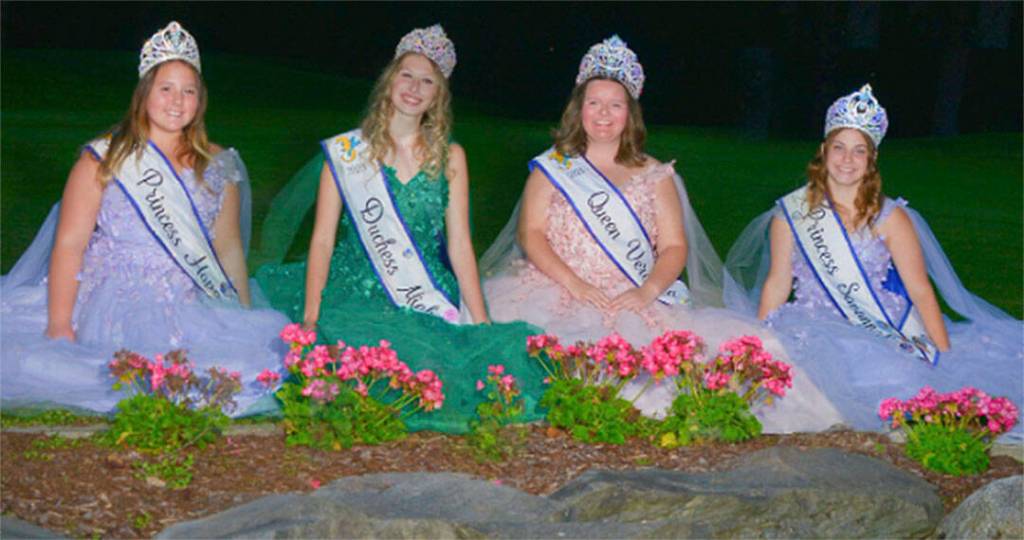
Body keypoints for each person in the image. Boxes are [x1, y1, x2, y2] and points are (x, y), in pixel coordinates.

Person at [481, 35, 841, 430]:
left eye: (615, 105)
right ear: (578, 109)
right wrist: (575, 285)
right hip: (557, 287)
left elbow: (673, 247)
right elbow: (531, 235)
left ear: (629, 114)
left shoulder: (655, 175)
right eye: (594, 103)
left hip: (634, 292)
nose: (604, 114)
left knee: (712, 362)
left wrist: (646, 291)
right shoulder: (553, 168)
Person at [255, 25, 546, 433]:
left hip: (423, 289)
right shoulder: (347, 154)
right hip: (354, 287)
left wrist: (481, 324)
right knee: (355, 363)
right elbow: (321, 241)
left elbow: (460, 243)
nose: (414, 87)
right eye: (407, 74)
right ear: (389, 80)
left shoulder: (451, 157)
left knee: (443, 366)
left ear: (438, 95)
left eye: (428, 81)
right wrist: (311, 314)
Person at [1, 21, 289, 414]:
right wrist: (60, 325)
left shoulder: (217, 164)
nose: (177, 101)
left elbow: (227, 248)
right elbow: (70, 244)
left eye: (188, 91)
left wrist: (239, 316)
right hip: (110, 296)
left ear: (200, 100)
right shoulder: (104, 158)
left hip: (188, 295)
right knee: (88, 369)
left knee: (235, 366)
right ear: (144, 95)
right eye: (165, 88)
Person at [724, 84, 1023, 440]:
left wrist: (946, 356)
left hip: (879, 328)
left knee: (890, 384)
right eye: (839, 148)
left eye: (858, 150)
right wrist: (759, 339)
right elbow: (777, 282)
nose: (847, 160)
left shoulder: (891, 217)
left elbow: (920, 289)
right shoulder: (791, 215)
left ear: (871, 159)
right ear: (823, 151)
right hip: (811, 322)